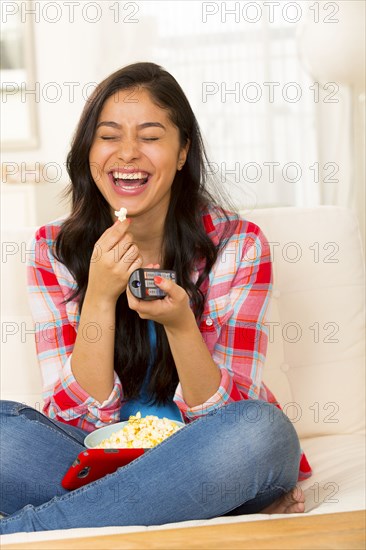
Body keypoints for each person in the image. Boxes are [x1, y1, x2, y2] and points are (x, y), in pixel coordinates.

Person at [0, 62, 311, 534]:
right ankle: (188, 505)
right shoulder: (53, 249)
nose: (127, 153)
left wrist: (182, 325)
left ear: (183, 151)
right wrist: (100, 300)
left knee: (261, 431)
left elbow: (227, 414)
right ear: (89, 151)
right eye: (109, 136)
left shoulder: (238, 244)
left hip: (212, 451)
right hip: (93, 457)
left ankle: (23, 535)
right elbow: (72, 415)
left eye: (150, 136)